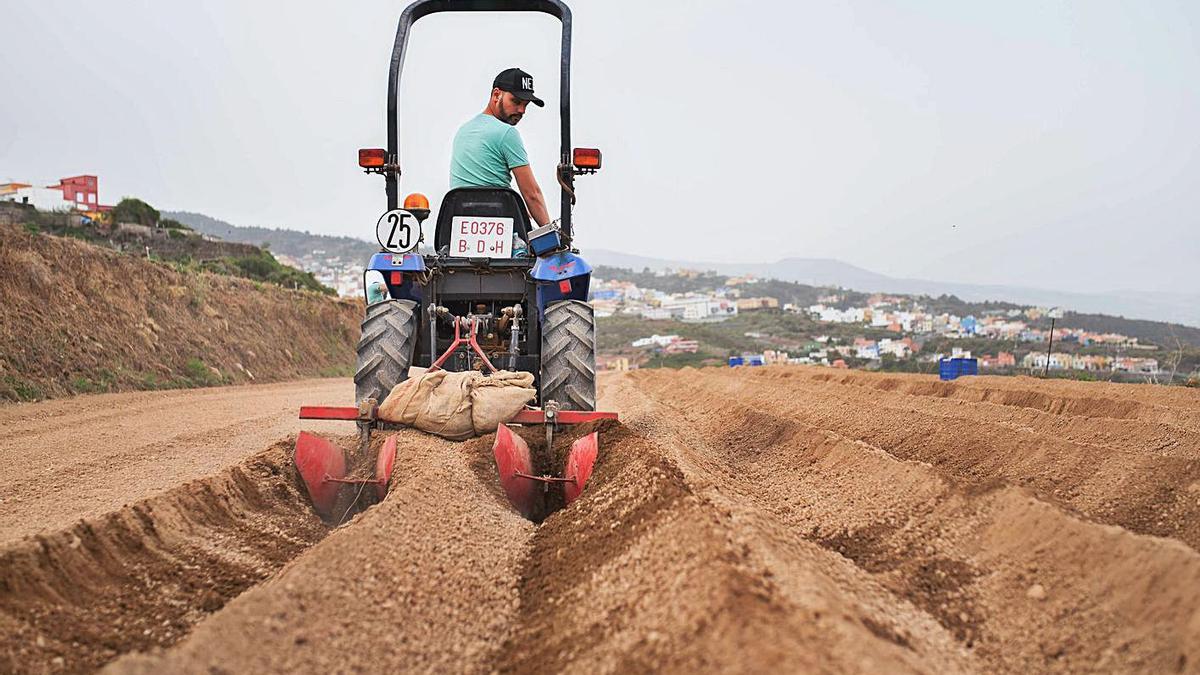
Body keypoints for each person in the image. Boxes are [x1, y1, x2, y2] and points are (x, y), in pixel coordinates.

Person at [449, 68, 552, 254]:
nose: (521, 110)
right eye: (516, 101)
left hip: (460, 232)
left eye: (526, 105)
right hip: (501, 235)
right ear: (497, 94)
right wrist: (552, 237)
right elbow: (532, 194)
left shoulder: (463, 131)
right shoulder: (507, 134)